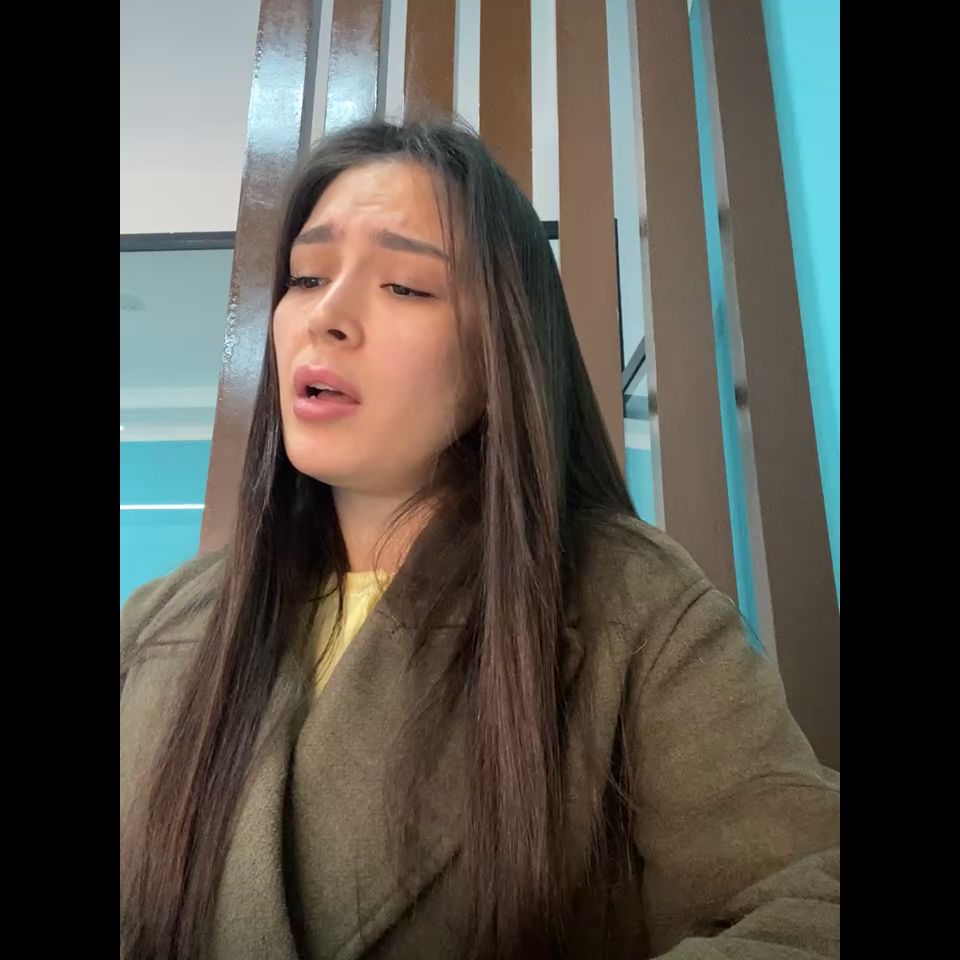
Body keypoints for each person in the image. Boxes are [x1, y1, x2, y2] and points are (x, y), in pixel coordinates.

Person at [120, 119, 839, 960]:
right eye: (307, 276)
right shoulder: (158, 623)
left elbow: (812, 901)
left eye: (405, 287)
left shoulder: (632, 607)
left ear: (501, 353)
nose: (327, 316)